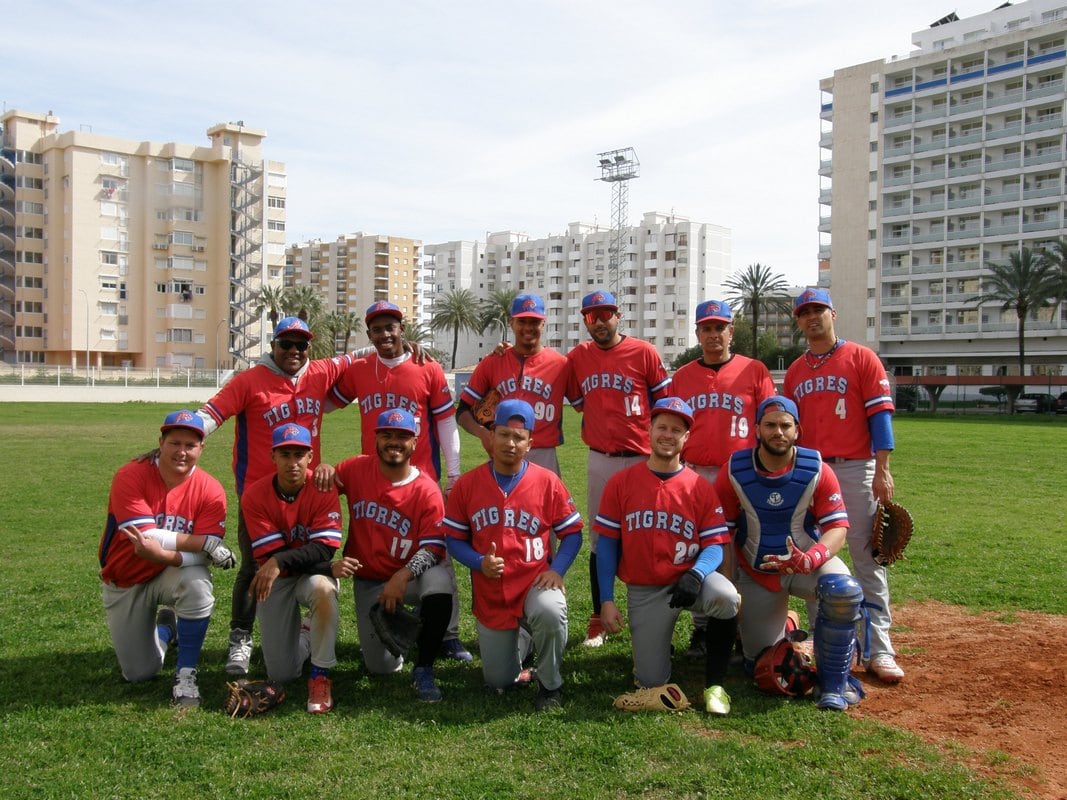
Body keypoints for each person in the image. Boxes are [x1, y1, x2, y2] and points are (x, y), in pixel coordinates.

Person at [196, 316, 353, 677]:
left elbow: (358, 357)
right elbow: (211, 414)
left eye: (301, 345)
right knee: (255, 566)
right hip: (260, 494)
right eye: (286, 344)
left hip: (307, 490)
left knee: (300, 555)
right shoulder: (249, 381)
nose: (294, 351)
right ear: (273, 346)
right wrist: (182, 435)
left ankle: (306, 623)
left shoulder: (320, 371)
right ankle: (240, 637)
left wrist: (407, 350)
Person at [329, 300, 471, 663]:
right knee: (375, 545)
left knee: (436, 554)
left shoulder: (428, 367)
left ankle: (448, 634)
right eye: (377, 329)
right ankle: (388, 618)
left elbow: (445, 422)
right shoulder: (360, 369)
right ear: (369, 334)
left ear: (402, 329)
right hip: (371, 478)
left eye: (390, 326)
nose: (385, 334)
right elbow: (326, 401)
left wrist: (453, 472)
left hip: (420, 479)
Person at [783, 288, 903, 684]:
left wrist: (882, 469)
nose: (812, 317)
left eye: (818, 309)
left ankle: (878, 649)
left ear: (833, 313)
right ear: (799, 322)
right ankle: (824, 641)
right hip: (812, 472)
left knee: (867, 559)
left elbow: (880, 415)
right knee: (815, 557)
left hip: (855, 467)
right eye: (804, 312)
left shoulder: (862, 358)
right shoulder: (797, 371)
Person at [714, 396, 864, 711]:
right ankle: (788, 628)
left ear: (797, 429)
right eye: (770, 425)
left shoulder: (817, 468)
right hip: (758, 574)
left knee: (842, 591)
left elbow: (838, 527)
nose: (778, 432)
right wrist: (732, 587)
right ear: (756, 428)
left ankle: (833, 685)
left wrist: (811, 559)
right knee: (762, 667)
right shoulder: (734, 470)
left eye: (785, 425)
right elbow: (723, 535)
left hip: (805, 565)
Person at [595, 398, 740, 715]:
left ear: (686, 438)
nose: (668, 435)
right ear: (649, 430)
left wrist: (697, 573)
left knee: (727, 597)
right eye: (662, 427)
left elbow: (716, 543)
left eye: (677, 430)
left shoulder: (699, 486)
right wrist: (606, 599)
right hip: (646, 589)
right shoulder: (621, 482)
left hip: (691, 580)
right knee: (650, 684)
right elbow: (606, 544)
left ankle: (715, 685)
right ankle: (654, 658)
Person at [443, 399, 583, 712]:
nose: (510, 443)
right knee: (499, 683)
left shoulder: (547, 482)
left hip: (534, 582)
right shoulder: (468, 485)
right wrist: (479, 562)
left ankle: (550, 684)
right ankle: (522, 644)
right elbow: (453, 539)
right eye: (504, 434)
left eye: (519, 437)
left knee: (550, 610)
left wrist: (557, 569)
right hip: (492, 592)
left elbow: (573, 533)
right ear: (490, 436)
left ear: (530, 443)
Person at [98, 410, 231, 707]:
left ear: (201, 448)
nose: (181, 452)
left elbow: (201, 558)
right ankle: (165, 630)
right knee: (139, 673)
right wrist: (206, 542)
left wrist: (168, 557)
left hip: (169, 572)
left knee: (197, 583)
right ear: (161, 442)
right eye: (175, 443)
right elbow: (145, 537)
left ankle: (185, 674)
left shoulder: (211, 490)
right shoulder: (131, 474)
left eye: (190, 445)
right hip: (126, 578)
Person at [564, 289, 671, 647]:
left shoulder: (644, 352)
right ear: (585, 321)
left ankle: (654, 616)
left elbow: (664, 404)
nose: (600, 321)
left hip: (643, 458)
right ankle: (597, 618)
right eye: (592, 316)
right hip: (600, 457)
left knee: (650, 536)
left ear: (619, 314)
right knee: (600, 538)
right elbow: (579, 402)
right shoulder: (578, 357)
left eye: (606, 313)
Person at [670, 299, 776, 657]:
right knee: (700, 548)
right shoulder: (682, 376)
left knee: (742, 548)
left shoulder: (755, 370)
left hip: (742, 472)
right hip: (695, 473)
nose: (714, 334)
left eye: (720, 327)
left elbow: (770, 418)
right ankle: (702, 630)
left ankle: (741, 627)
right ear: (698, 333)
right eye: (707, 328)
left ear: (732, 331)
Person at [325, 408, 453, 702]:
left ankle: (424, 667)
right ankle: (410, 630)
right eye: (387, 435)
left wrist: (402, 575)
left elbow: (434, 547)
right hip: (369, 580)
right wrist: (323, 469)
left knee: (440, 582)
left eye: (402, 436)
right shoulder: (356, 469)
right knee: (381, 667)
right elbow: (322, 487)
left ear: (414, 442)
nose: (394, 442)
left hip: (409, 578)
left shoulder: (426, 489)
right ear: (375, 439)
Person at [241, 423, 359, 714]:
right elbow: (272, 553)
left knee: (322, 588)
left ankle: (320, 675)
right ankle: (306, 634)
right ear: (273, 456)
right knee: (282, 673)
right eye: (285, 454)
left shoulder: (322, 487)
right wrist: (327, 566)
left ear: (310, 457)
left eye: (299, 454)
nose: (292, 462)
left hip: (301, 574)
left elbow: (323, 547)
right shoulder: (254, 495)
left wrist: (281, 561)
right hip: (278, 578)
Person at [456, 293, 570, 475]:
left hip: (543, 452)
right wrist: (484, 434)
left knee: (546, 502)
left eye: (534, 322)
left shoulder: (561, 364)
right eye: (522, 321)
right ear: (511, 323)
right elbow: (462, 411)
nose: (528, 328)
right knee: (501, 502)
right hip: (502, 450)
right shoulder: (493, 361)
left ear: (543, 323)